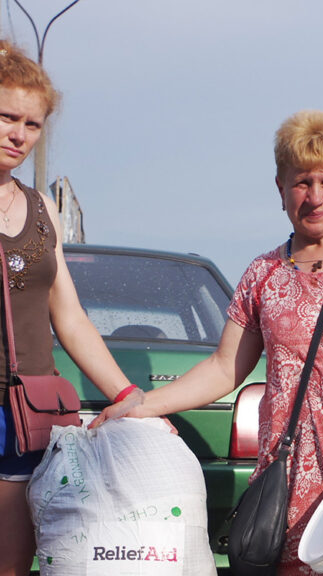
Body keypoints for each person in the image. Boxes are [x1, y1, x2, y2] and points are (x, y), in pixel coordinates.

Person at [93, 109, 323, 574]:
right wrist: (141, 405)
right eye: (301, 183)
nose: (315, 197)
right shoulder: (262, 275)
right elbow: (223, 367)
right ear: (280, 189)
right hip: (292, 480)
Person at [0, 40, 141, 576]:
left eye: (33, 125)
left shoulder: (41, 212)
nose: (20, 135)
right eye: (8, 117)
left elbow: (72, 318)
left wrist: (126, 396)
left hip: (25, 417)